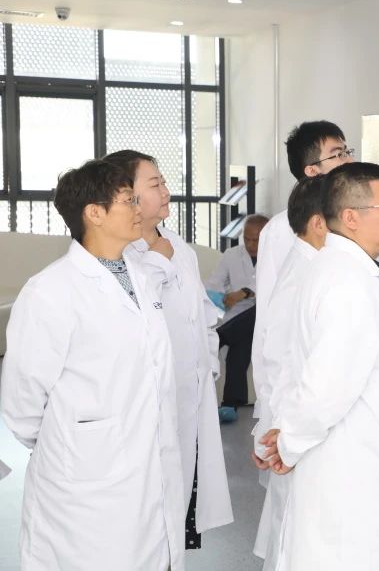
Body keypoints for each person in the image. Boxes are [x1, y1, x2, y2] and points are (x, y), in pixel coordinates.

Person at [259, 163, 379, 570]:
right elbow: (326, 386)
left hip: (370, 461)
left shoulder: (352, 271)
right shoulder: (347, 283)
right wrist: (289, 442)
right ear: (350, 217)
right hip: (361, 472)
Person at [1, 159, 186, 569]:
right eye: (128, 200)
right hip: (82, 480)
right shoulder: (51, 290)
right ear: (94, 213)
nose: (139, 208)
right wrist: (76, 438)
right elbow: (22, 401)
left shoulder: (142, 277)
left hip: (146, 466)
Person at [109, 149, 233, 550]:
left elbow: (203, 316)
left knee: (177, 511)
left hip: (189, 396)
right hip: (147, 404)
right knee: (144, 518)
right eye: (155, 184)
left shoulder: (180, 247)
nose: (165, 191)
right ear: (125, 195)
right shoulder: (118, 253)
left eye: (164, 182)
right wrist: (155, 263)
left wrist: (208, 367)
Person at [250, 121, 354, 431]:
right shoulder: (281, 231)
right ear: (311, 171)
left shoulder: (350, 217)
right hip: (298, 384)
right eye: (337, 154)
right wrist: (271, 405)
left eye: (347, 151)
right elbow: (270, 321)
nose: (348, 160)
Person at [250, 176, 329, 569]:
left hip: (307, 429)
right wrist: (281, 433)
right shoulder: (301, 277)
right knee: (295, 537)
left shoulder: (321, 268)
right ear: (319, 223)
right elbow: (277, 365)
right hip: (297, 429)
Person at [206, 213, 268, 422]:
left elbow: (271, 287)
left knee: (258, 313)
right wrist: (221, 297)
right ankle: (230, 403)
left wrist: (244, 292)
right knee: (241, 342)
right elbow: (214, 283)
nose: (250, 245)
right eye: (247, 239)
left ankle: (220, 337)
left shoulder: (276, 256)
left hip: (265, 315)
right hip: (238, 317)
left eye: (256, 240)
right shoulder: (232, 255)